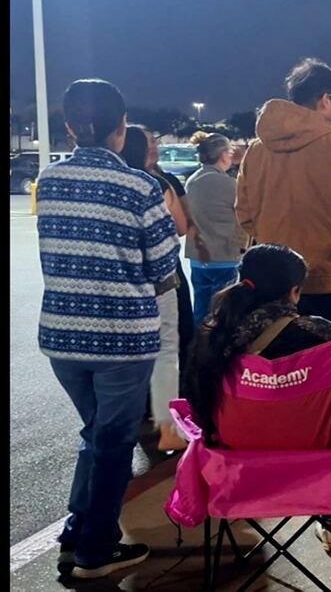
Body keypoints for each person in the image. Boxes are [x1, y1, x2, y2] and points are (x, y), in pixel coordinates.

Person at [37, 79, 180, 579]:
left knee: (95, 433)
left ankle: (75, 532)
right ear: (122, 127)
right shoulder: (139, 186)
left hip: (62, 336)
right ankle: (95, 551)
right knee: (113, 442)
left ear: (70, 127)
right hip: (121, 338)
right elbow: (164, 268)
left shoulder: (49, 180)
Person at [185, 243, 331, 551]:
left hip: (236, 468)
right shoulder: (322, 335)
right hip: (321, 465)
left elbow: (197, 402)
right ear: (294, 291)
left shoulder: (213, 335)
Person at [236, 58, 331, 354]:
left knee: (283, 369)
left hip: (276, 282)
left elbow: (245, 214)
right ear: (326, 99)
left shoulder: (256, 152)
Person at [122, 126, 189, 453]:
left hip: (123, 279)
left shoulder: (116, 182)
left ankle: (136, 414)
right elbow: (180, 227)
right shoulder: (156, 185)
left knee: (131, 349)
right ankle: (167, 427)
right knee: (166, 349)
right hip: (162, 277)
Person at [144, 130, 196, 380]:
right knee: (172, 332)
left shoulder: (168, 179)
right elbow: (182, 225)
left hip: (159, 268)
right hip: (164, 270)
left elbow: (186, 222)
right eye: (148, 142)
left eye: (154, 141)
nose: (153, 146)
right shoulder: (161, 184)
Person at [185, 132, 249, 326]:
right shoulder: (229, 184)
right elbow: (245, 212)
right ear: (223, 155)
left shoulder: (192, 181)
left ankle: (198, 342)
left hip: (198, 257)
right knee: (221, 314)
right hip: (225, 254)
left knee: (200, 309)